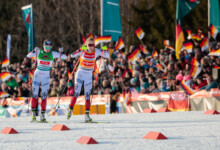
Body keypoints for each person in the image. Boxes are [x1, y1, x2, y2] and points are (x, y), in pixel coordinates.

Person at [67, 38, 109, 122]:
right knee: (77, 93)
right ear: (86, 45)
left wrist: (106, 49)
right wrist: (80, 49)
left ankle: (87, 115)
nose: (91, 47)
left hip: (89, 74)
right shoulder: (83, 50)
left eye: (93, 45)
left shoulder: (96, 51)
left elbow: (107, 56)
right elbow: (72, 55)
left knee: (87, 95)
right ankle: (70, 109)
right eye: (89, 45)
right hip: (80, 73)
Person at [26, 39, 67, 122]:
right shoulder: (39, 52)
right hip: (37, 76)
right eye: (46, 47)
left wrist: (61, 52)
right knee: (35, 95)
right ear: (43, 46)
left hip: (46, 77)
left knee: (44, 96)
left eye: (49, 47)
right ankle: (33, 114)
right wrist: (34, 51)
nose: (47, 49)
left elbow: (65, 57)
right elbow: (28, 56)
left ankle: (42, 115)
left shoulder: (53, 53)